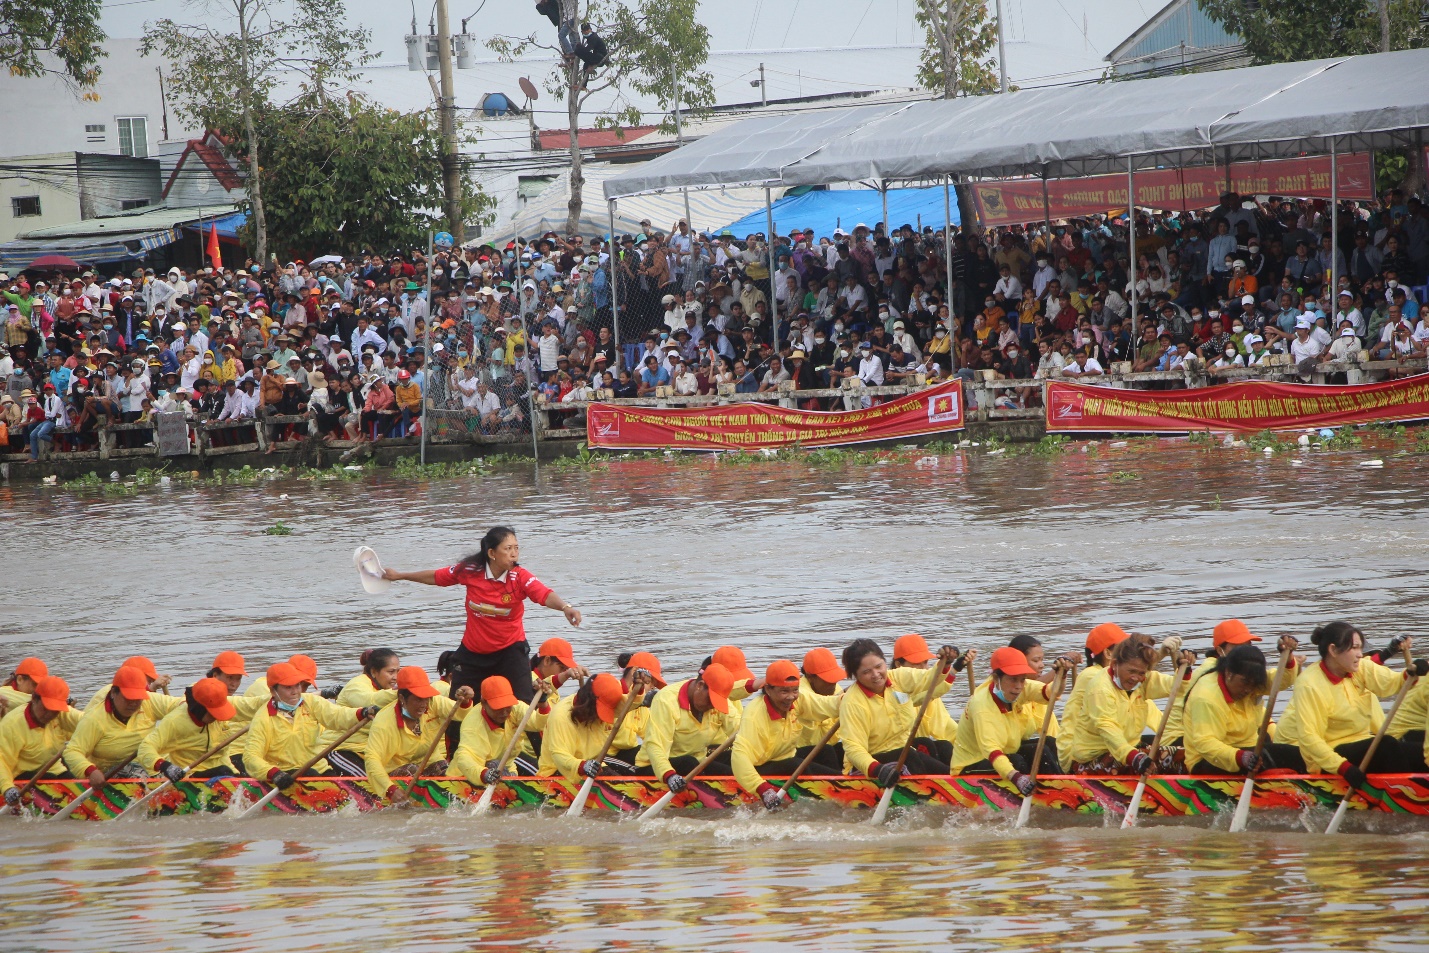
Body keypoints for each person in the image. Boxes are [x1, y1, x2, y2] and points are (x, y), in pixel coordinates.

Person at [380, 526, 582, 746]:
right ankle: (453, 761)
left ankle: (537, 762)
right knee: (460, 706)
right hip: (473, 654)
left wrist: (565, 607)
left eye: (516, 548)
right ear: (492, 553)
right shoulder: (470, 571)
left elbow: (543, 594)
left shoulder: (520, 577)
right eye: (508, 548)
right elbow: (437, 577)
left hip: (510, 652)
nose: (514, 553)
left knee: (524, 706)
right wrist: (400, 576)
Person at [1276, 622, 1427, 778]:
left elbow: (1391, 683)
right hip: (1330, 755)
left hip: (1362, 743)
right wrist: (1343, 767)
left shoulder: (1360, 668)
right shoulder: (1309, 684)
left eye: (1360, 648)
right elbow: (1310, 738)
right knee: (1386, 745)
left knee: (1420, 751)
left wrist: (1411, 672)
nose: (1360, 654)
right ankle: (1404, 792)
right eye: (1354, 648)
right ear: (1333, 650)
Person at [1061, 633, 1194, 774]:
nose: (1135, 678)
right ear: (1114, 664)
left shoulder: (1143, 680)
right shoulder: (1100, 688)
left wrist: (1184, 670)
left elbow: (1177, 689)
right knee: (1144, 763)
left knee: (1187, 757)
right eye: (1131, 671)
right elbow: (1109, 731)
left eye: (1141, 673)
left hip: (1129, 749)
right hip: (1092, 758)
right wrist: (1134, 757)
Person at [838, 638, 961, 783]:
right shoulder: (853, 701)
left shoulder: (898, 677)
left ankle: (957, 784)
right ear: (856, 675)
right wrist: (877, 769)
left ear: (885, 662)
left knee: (938, 750)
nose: (876, 674)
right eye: (867, 672)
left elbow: (929, 679)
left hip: (902, 753)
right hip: (868, 766)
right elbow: (853, 749)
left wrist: (945, 663)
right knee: (910, 756)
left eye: (879, 666)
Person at [244, 663, 378, 793]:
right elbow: (251, 757)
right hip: (287, 774)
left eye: (297, 685)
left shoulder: (311, 702)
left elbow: (337, 716)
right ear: (273, 690)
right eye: (288, 687)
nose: (295, 692)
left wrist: (362, 712)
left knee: (341, 785)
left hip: (320, 768)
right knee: (313, 776)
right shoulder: (262, 718)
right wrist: (273, 773)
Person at [952, 649, 1074, 791]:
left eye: (1022, 679)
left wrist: (1062, 674)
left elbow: (1052, 693)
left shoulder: (1020, 688)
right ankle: (1036, 792)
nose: (1018, 686)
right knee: (1017, 762)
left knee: (1048, 744)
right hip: (971, 765)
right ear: (996, 678)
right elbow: (992, 751)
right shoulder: (982, 706)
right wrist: (1016, 777)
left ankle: (1062, 787)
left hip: (1005, 753)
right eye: (1013, 679)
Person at [731, 660, 843, 808]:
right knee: (795, 764)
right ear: (768, 690)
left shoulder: (798, 700)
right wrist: (762, 789)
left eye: (794, 690)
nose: (791, 697)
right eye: (784, 692)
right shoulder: (754, 715)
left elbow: (827, 705)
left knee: (826, 750)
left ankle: (843, 784)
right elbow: (739, 758)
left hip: (785, 758)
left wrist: (849, 700)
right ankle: (834, 792)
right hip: (760, 769)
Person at [1183, 644, 1303, 775]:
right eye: (1245, 682)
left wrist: (1289, 658)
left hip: (1249, 750)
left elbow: (1280, 680)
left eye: (1254, 684)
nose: (1248, 690)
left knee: (1301, 756)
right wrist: (1240, 757)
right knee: (1264, 759)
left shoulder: (1251, 682)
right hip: (1208, 760)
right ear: (1228, 673)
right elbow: (1205, 743)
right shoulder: (1206, 697)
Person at [362, 666, 474, 804]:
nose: (423, 705)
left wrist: (465, 701)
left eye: (425, 699)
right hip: (395, 770)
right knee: (413, 770)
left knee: (449, 772)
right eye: (418, 699)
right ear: (402, 698)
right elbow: (372, 759)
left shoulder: (433, 702)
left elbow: (462, 713)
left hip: (430, 761)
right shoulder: (383, 721)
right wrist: (389, 789)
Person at [63, 665, 182, 789]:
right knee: (133, 772)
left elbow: (181, 704)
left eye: (138, 699)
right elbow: (72, 752)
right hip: (113, 774)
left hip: (154, 764)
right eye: (128, 698)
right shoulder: (94, 719)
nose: (133, 704)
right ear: (114, 692)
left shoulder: (148, 702)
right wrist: (90, 771)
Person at [636, 662, 741, 789]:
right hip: (655, 766)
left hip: (698, 763)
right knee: (688, 762)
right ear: (700, 686)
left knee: (736, 758)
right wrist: (669, 775)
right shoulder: (665, 700)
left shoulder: (717, 697)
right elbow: (656, 746)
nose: (712, 707)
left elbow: (739, 730)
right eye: (711, 701)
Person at [538, 672, 650, 781]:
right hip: (559, 771)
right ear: (591, 702)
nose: (601, 717)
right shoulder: (560, 716)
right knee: (616, 783)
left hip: (592, 763)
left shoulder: (591, 706)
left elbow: (627, 704)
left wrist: (638, 688)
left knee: (631, 773)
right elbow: (560, 756)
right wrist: (582, 766)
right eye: (601, 710)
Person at [451, 675, 555, 787]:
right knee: (493, 764)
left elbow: (538, 724)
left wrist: (543, 702)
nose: (505, 712)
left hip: (507, 766)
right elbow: (464, 759)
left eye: (507, 706)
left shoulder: (516, 708)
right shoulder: (472, 725)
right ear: (483, 703)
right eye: (498, 707)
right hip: (469, 775)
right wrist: (484, 774)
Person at [136, 678, 245, 780]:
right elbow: (145, 748)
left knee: (240, 773)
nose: (217, 717)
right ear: (200, 709)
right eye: (213, 713)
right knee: (223, 771)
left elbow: (250, 706)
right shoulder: (174, 721)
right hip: (189, 778)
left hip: (226, 772)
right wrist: (165, 766)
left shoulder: (218, 713)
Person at [0, 676, 78, 808]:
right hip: (20, 778)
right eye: (46, 708)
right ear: (35, 699)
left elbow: (90, 721)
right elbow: (2, 761)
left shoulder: (61, 715)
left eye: (55, 710)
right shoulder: (12, 724)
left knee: (77, 783)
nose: (49, 714)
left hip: (55, 771)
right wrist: (7, 788)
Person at [323, 648, 401, 776]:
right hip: (340, 749)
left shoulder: (386, 689)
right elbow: (370, 701)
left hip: (370, 752)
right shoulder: (356, 685)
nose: (396, 677)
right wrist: (400, 691)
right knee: (370, 783)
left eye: (399, 671)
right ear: (374, 672)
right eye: (391, 672)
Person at [890, 633, 963, 759]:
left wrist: (971, 741)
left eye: (925, 662)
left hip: (921, 750)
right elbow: (918, 699)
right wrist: (951, 672)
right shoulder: (892, 689)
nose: (923, 668)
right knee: (926, 743)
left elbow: (947, 727)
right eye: (917, 663)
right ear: (898, 665)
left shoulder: (931, 693)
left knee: (945, 746)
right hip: (898, 752)